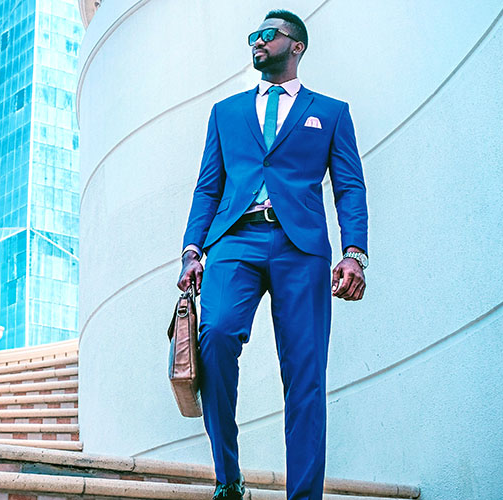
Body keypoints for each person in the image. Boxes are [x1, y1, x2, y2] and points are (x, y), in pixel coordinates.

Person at [176, 9, 369, 500]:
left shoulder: (331, 112)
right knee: (215, 336)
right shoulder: (227, 112)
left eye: (268, 35)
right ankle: (228, 477)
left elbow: (348, 186)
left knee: (305, 372)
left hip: (300, 248)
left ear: (296, 45)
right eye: (253, 37)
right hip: (234, 241)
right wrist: (192, 250)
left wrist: (354, 252)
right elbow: (207, 188)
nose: (257, 43)